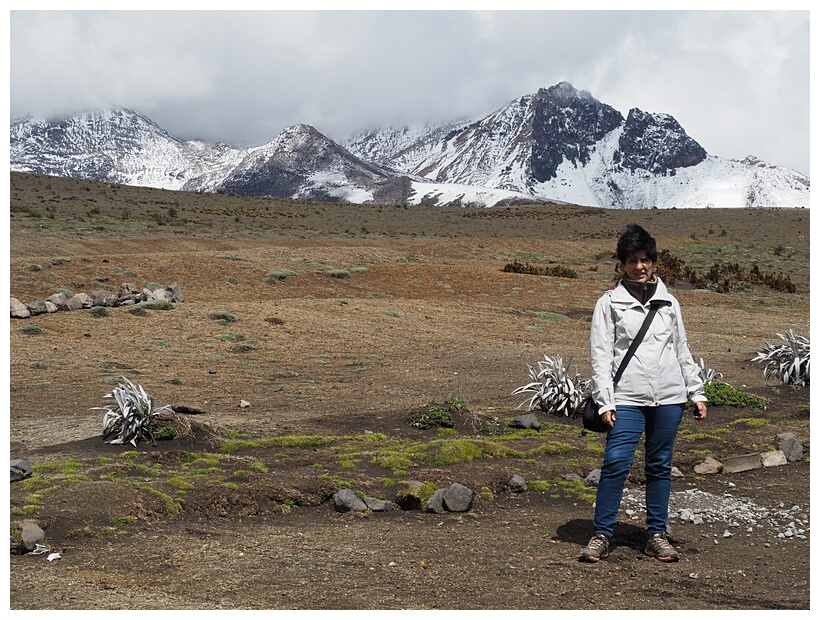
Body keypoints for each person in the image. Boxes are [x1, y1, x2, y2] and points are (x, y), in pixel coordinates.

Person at [580, 224, 707, 563]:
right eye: (632, 260)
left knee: (660, 465)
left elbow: (681, 349)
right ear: (622, 263)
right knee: (616, 463)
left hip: (669, 397)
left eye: (645, 260)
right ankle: (602, 534)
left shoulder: (669, 302)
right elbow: (601, 355)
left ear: (653, 262)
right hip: (627, 398)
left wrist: (696, 392)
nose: (640, 266)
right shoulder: (608, 303)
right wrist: (605, 400)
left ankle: (656, 534)